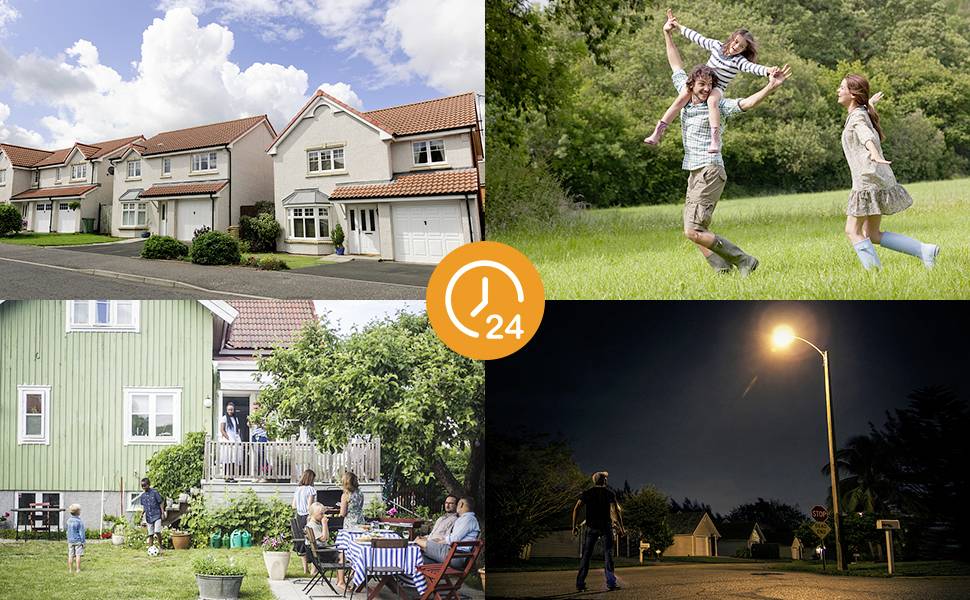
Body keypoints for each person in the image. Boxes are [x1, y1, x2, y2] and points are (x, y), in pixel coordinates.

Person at [648, 12, 791, 276]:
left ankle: (744, 260)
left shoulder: (718, 103)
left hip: (710, 169)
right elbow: (676, 63)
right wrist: (668, 32)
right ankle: (722, 269)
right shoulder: (686, 91)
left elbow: (746, 103)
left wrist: (770, 85)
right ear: (693, 85)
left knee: (693, 230)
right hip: (693, 169)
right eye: (701, 85)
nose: (705, 89)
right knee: (692, 232)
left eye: (709, 86)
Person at [837, 74, 940, 269]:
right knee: (872, 234)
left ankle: (875, 273)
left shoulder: (858, 116)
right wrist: (871, 103)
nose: (838, 91)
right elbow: (865, 116)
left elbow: (866, 136)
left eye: (841, 87)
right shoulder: (862, 111)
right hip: (877, 177)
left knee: (852, 230)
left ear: (852, 94)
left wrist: (874, 152)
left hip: (867, 180)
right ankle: (925, 250)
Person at [645, 9, 778, 153]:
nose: (736, 47)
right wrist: (678, 26)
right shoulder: (716, 46)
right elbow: (697, 37)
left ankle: (715, 139)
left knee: (712, 101)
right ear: (732, 38)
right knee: (682, 97)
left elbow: (752, 67)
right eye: (736, 42)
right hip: (704, 79)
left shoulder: (738, 61)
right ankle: (658, 131)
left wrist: (768, 70)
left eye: (741, 47)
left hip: (717, 87)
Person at [572, 471, 624, 592]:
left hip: (591, 527)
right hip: (606, 527)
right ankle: (611, 583)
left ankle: (580, 584)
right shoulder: (609, 493)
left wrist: (574, 526)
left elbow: (576, 509)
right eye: (606, 478)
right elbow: (616, 511)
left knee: (586, 555)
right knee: (608, 555)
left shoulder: (587, 493)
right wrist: (621, 527)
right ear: (604, 481)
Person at [416, 496, 480, 568]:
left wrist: (437, 542)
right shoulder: (466, 519)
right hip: (453, 554)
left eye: (458, 504)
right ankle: (416, 576)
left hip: (455, 556)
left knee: (418, 542)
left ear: (461, 504)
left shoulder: (468, 519)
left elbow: (454, 538)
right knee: (418, 554)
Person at [292, 469, 317, 575]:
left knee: (301, 542)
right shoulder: (311, 489)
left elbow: (293, 505)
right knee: (312, 541)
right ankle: (313, 570)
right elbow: (310, 507)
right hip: (308, 517)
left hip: (298, 517)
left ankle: (305, 569)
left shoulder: (298, 489)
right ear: (311, 478)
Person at [139, 478, 166, 552]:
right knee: (150, 534)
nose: (143, 487)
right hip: (148, 517)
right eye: (142, 486)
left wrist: (162, 512)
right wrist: (142, 514)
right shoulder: (143, 496)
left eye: (144, 485)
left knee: (157, 531)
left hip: (157, 515)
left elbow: (161, 502)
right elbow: (144, 506)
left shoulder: (155, 492)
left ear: (148, 484)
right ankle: (150, 549)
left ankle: (161, 547)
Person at [219, 402, 242, 482]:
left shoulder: (236, 419)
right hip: (227, 442)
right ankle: (226, 476)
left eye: (231, 409)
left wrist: (237, 437)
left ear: (233, 410)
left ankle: (232, 477)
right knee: (227, 459)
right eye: (229, 409)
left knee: (233, 459)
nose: (230, 411)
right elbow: (222, 430)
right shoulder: (224, 418)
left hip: (234, 441)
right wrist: (228, 438)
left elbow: (237, 429)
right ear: (226, 410)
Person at [66, 504, 85, 574]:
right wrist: (83, 542)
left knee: (70, 555)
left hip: (70, 541)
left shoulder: (68, 521)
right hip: (78, 541)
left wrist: (68, 538)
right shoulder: (80, 522)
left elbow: (68, 531)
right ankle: (78, 569)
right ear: (78, 512)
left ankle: (70, 570)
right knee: (78, 555)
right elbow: (82, 533)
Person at [249, 414, 269, 482]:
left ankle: (264, 476)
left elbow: (267, 427)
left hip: (262, 436)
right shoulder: (252, 416)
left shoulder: (264, 416)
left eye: (257, 408)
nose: (255, 411)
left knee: (262, 455)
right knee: (256, 456)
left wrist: (261, 423)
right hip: (254, 436)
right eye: (254, 408)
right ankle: (256, 476)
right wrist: (250, 422)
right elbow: (249, 425)